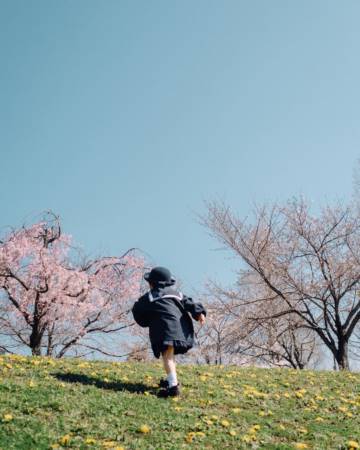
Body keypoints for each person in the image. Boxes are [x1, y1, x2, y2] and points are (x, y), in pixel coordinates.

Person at [132, 266, 206, 397]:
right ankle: (170, 379)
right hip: (180, 330)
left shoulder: (149, 296)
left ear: (151, 283)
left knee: (167, 356)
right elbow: (190, 303)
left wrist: (146, 321)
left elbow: (137, 310)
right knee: (169, 355)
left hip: (164, 330)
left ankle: (173, 386)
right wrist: (199, 313)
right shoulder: (177, 294)